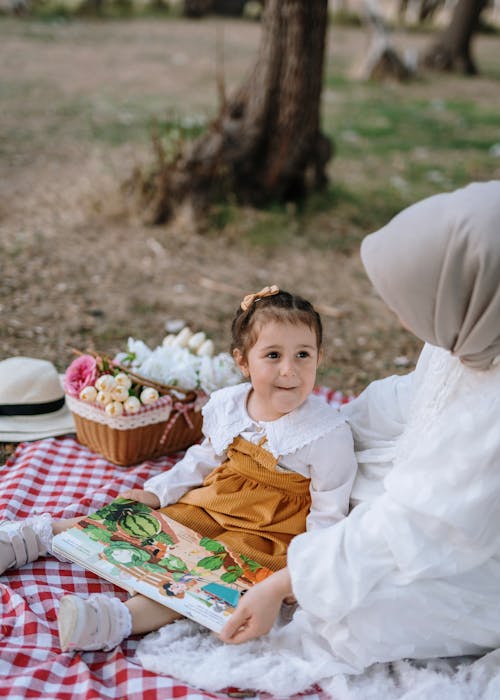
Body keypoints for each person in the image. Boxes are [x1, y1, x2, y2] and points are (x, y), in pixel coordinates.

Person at [131, 180, 500, 696]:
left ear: (466, 295)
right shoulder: (478, 328)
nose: (401, 316)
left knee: (350, 611)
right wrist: (301, 429)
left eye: (413, 301)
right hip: (431, 496)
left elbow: (422, 522)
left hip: (470, 546)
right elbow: (406, 400)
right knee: (332, 487)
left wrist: (290, 582)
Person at [0, 286, 357, 653]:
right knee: (143, 528)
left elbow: (329, 512)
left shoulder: (327, 433)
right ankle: (37, 535)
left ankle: (114, 620)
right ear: (243, 362)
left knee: (198, 578)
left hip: (264, 532)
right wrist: (158, 491)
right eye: (272, 355)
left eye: (303, 355)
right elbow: (202, 458)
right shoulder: (231, 404)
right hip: (212, 502)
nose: (289, 370)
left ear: (320, 356)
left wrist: (302, 572)